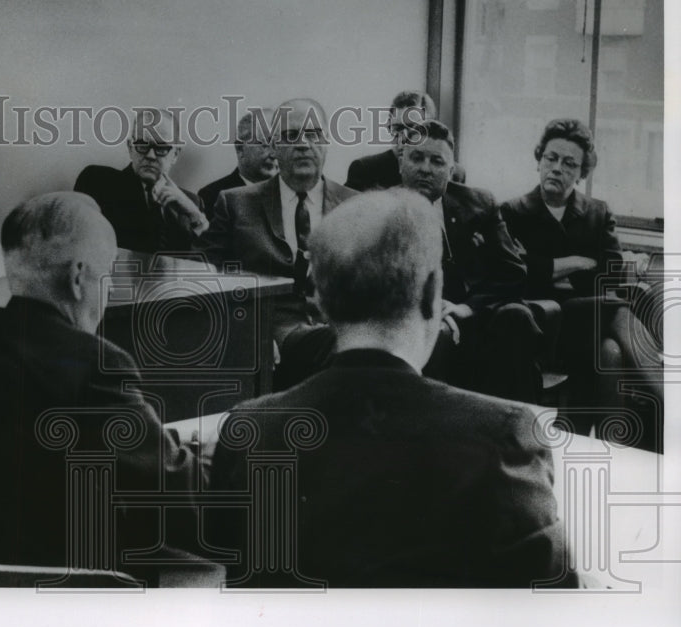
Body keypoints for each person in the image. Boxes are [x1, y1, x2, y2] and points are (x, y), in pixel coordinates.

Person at [205, 188, 577, 588]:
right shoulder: (506, 437)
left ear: (321, 301)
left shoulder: (248, 432)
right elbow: (554, 604)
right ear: (432, 294)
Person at [0, 191, 202, 572]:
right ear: (78, 277)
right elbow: (173, 502)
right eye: (106, 275)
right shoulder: (96, 363)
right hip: (71, 597)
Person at [281, 120, 539, 403]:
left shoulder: (479, 203)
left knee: (517, 316)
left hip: (473, 312)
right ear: (401, 163)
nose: (425, 168)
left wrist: (465, 308)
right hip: (410, 315)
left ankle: (516, 418)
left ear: (451, 171)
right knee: (432, 334)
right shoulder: (380, 209)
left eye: (436, 161)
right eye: (416, 158)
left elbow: (513, 273)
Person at [500, 118, 663, 442]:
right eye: (551, 158)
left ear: (581, 173)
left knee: (610, 353)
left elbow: (611, 272)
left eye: (569, 163)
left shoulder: (597, 212)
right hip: (543, 325)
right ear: (539, 160)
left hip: (587, 322)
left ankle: (611, 451)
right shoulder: (512, 212)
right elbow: (514, 273)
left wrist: (545, 268)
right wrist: (574, 262)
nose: (557, 168)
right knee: (619, 312)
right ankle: (668, 397)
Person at [198, 98, 355, 345]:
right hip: (266, 338)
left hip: (342, 335)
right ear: (274, 146)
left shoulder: (355, 206)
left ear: (326, 141)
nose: (303, 144)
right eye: (291, 136)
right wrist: (247, 332)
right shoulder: (235, 203)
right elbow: (204, 277)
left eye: (313, 134)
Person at [74, 108, 208, 253]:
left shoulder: (192, 203)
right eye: (142, 145)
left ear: (175, 154)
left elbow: (211, 261)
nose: (150, 155)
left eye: (161, 148)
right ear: (130, 148)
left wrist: (196, 217)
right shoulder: (98, 181)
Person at [346, 90, 466, 191]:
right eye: (398, 128)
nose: (404, 138)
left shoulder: (454, 174)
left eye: (416, 129)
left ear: (432, 128)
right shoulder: (365, 171)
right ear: (389, 128)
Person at [197, 109, 278, 217]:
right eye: (265, 145)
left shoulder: (292, 193)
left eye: (279, 145)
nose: (274, 155)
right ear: (240, 149)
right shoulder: (212, 196)